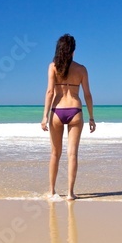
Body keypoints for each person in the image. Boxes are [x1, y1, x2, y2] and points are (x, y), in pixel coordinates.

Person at [41, 34, 95, 200]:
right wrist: (92, 117)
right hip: (75, 112)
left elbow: (50, 92)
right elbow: (87, 94)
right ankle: (70, 193)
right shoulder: (81, 69)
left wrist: (44, 116)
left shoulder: (53, 67)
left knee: (55, 153)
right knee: (72, 154)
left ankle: (51, 191)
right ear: (73, 50)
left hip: (57, 111)